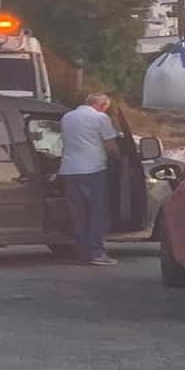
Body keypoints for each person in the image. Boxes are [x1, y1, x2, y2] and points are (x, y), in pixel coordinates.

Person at [58, 92, 121, 266]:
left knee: (79, 215)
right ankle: (97, 253)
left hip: (69, 170)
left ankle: (83, 253)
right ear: (102, 106)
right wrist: (117, 158)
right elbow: (111, 145)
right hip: (93, 170)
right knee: (97, 213)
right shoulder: (101, 118)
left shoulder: (67, 117)